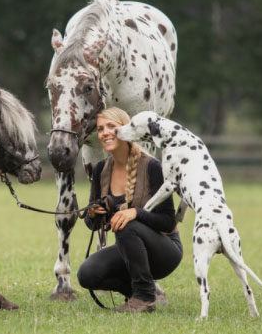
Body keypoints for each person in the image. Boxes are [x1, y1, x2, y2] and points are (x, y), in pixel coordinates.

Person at [76, 107, 183, 313]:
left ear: (125, 129)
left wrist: (135, 213)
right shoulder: (100, 169)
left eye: (111, 126)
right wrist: (92, 213)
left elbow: (169, 222)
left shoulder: (152, 166)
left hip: (166, 251)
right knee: (87, 274)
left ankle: (143, 297)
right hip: (131, 251)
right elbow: (92, 225)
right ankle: (139, 292)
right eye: (100, 129)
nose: (104, 132)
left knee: (127, 223)